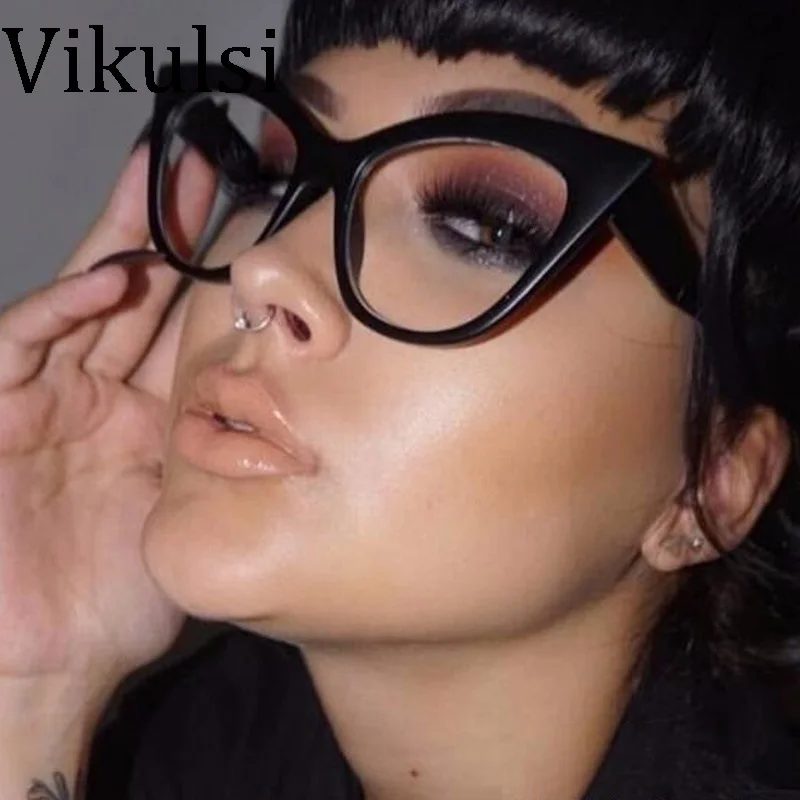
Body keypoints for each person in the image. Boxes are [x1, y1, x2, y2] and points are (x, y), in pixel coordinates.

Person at [2, 0, 800, 797]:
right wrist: (36, 694)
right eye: (278, 176)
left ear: (713, 479)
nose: (263, 267)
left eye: (484, 223)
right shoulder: (185, 755)